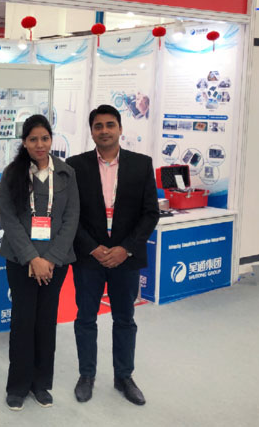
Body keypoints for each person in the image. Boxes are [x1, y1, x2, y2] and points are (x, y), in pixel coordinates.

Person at [66, 104, 159, 406]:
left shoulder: (141, 164)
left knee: (125, 318)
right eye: (98, 126)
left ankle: (124, 377)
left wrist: (125, 248)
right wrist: (92, 247)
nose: (104, 131)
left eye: (109, 125)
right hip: (88, 257)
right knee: (85, 318)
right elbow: (70, 214)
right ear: (91, 131)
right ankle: (86, 375)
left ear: (120, 129)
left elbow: (150, 213)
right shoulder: (75, 166)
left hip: (125, 258)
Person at [0, 115, 79, 411]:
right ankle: (17, 386)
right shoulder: (13, 174)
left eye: (45, 138)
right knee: (22, 322)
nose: (40, 144)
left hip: (56, 262)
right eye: (33, 139)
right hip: (21, 261)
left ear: (51, 139)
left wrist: (50, 259)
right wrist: (33, 257)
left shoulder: (66, 173)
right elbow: (8, 218)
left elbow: (71, 218)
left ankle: (41, 384)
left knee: (46, 321)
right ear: (24, 142)